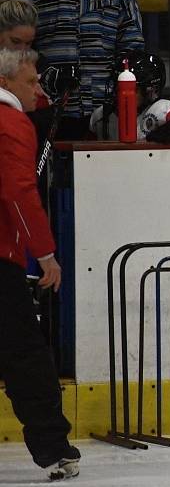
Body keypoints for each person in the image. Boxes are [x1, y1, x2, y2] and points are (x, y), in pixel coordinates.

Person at [0, 48, 80, 481]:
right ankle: (53, 448)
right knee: (27, 357)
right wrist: (46, 254)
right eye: (31, 83)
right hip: (1, 263)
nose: (38, 90)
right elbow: (18, 192)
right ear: (6, 82)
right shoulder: (10, 123)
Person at [14, 0, 145, 140]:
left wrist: (122, 84)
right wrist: (47, 75)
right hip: (47, 112)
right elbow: (14, 49)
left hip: (107, 113)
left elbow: (132, 42)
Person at [89, 51, 170, 143]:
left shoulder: (163, 108)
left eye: (130, 89)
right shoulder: (101, 115)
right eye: (118, 87)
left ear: (150, 90)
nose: (119, 93)